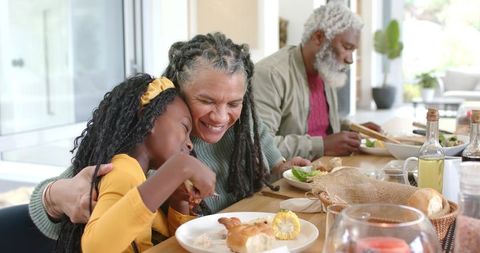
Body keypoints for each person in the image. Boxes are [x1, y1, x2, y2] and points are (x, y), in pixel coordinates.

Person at [28, 32, 310, 243]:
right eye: (206, 100)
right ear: (176, 91)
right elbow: (55, 200)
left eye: (234, 104)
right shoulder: (149, 140)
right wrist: (54, 197)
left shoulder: (245, 128)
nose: (221, 117)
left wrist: (286, 171)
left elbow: (273, 170)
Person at [54, 74, 216, 252]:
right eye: (184, 128)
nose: (189, 143)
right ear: (149, 117)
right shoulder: (123, 171)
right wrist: (181, 165)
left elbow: (175, 245)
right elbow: (96, 247)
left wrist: (179, 202)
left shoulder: (139, 176)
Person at [252, 1, 381, 160]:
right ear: (319, 37)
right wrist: (323, 145)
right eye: (347, 47)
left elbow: (318, 124)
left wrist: (351, 129)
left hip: (326, 168)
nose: (350, 59)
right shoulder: (271, 74)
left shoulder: (324, 69)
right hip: (286, 179)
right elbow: (259, 145)